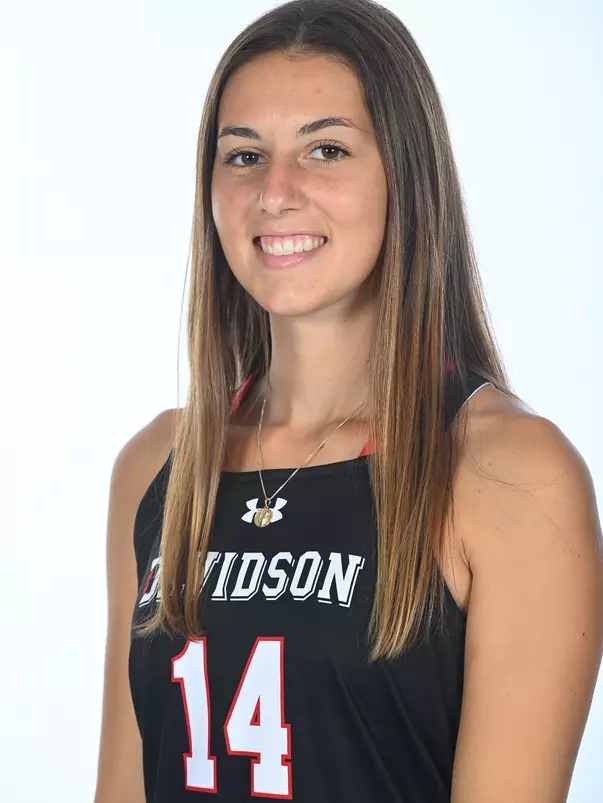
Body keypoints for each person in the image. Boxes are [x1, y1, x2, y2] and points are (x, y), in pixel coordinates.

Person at [93, 1, 603, 801]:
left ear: (405, 174)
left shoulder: (508, 474)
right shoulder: (159, 465)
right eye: (243, 155)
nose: (275, 192)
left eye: (325, 149)